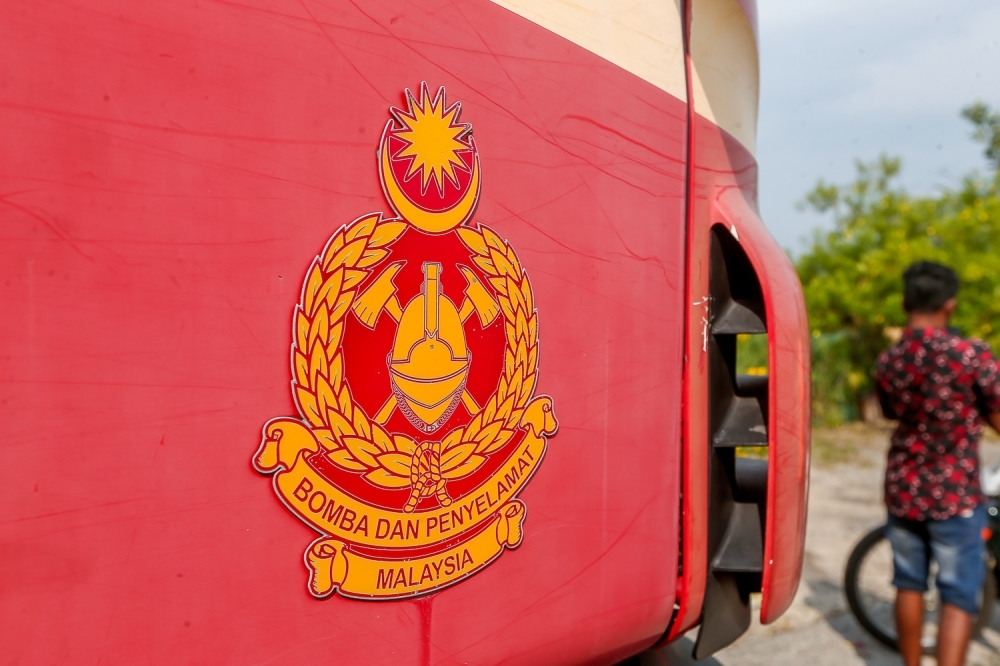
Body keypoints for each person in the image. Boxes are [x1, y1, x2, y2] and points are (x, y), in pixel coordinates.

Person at [875, 261, 1000, 666]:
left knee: (908, 584)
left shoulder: (890, 359)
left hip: (904, 488)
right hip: (955, 494)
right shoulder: (970, 354)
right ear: (950, 304)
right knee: (958, 595)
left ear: (903, 302)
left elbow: (891, 411)